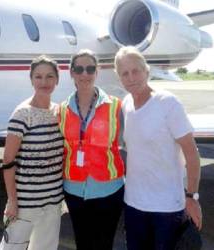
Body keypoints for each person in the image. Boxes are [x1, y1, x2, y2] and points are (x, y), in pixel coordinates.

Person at [114, 46, 202, 250]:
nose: (131, 78)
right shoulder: (126, 104)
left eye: (135, 70)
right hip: (134, 204)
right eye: (124, 73)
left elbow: (192, 154)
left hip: (167, 208)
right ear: (120, 78)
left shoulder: (167, 103)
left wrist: (192, 197)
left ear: (147, 71)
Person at [58, 49, 125, 250]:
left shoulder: (116, 106)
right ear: (71, 73)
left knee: (104, 243)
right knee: (83, 242)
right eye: (79, 69)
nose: (84, 74)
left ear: (98, 71)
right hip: (74, 189)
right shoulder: (62, 109)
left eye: (90, 69)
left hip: (109, 189)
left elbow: (134, 144)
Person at [0, 55, 64, 250]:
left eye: (50, 76)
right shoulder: (22, 114)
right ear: (31, 79)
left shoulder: (59, 112)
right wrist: (12, 201)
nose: (44, 82)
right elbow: (8, 161)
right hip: (25, 204)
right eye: (38, 77)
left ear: (57, 80)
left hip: (52, 203)